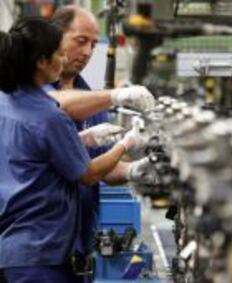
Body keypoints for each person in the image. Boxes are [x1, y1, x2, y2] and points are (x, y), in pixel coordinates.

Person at [0, 17, 145, 283]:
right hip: (42, 253)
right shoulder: (47, 115)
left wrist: (82, 140)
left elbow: (30, 154)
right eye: (59, 53)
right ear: (42, 61)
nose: (64, 58)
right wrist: (127, 144)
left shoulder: (5, 102)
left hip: (12, 249)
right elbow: (88, 175)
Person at [48, 5, 157, 281]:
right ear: (55, 37)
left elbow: (101, 167)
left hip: (80, 247)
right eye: (80, 41)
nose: (87, 52)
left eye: (93, 44)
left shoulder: (93, 100)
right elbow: (56, 106)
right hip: (41, 244)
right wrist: (116, 95)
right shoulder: (32, 93)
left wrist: (134, 170)